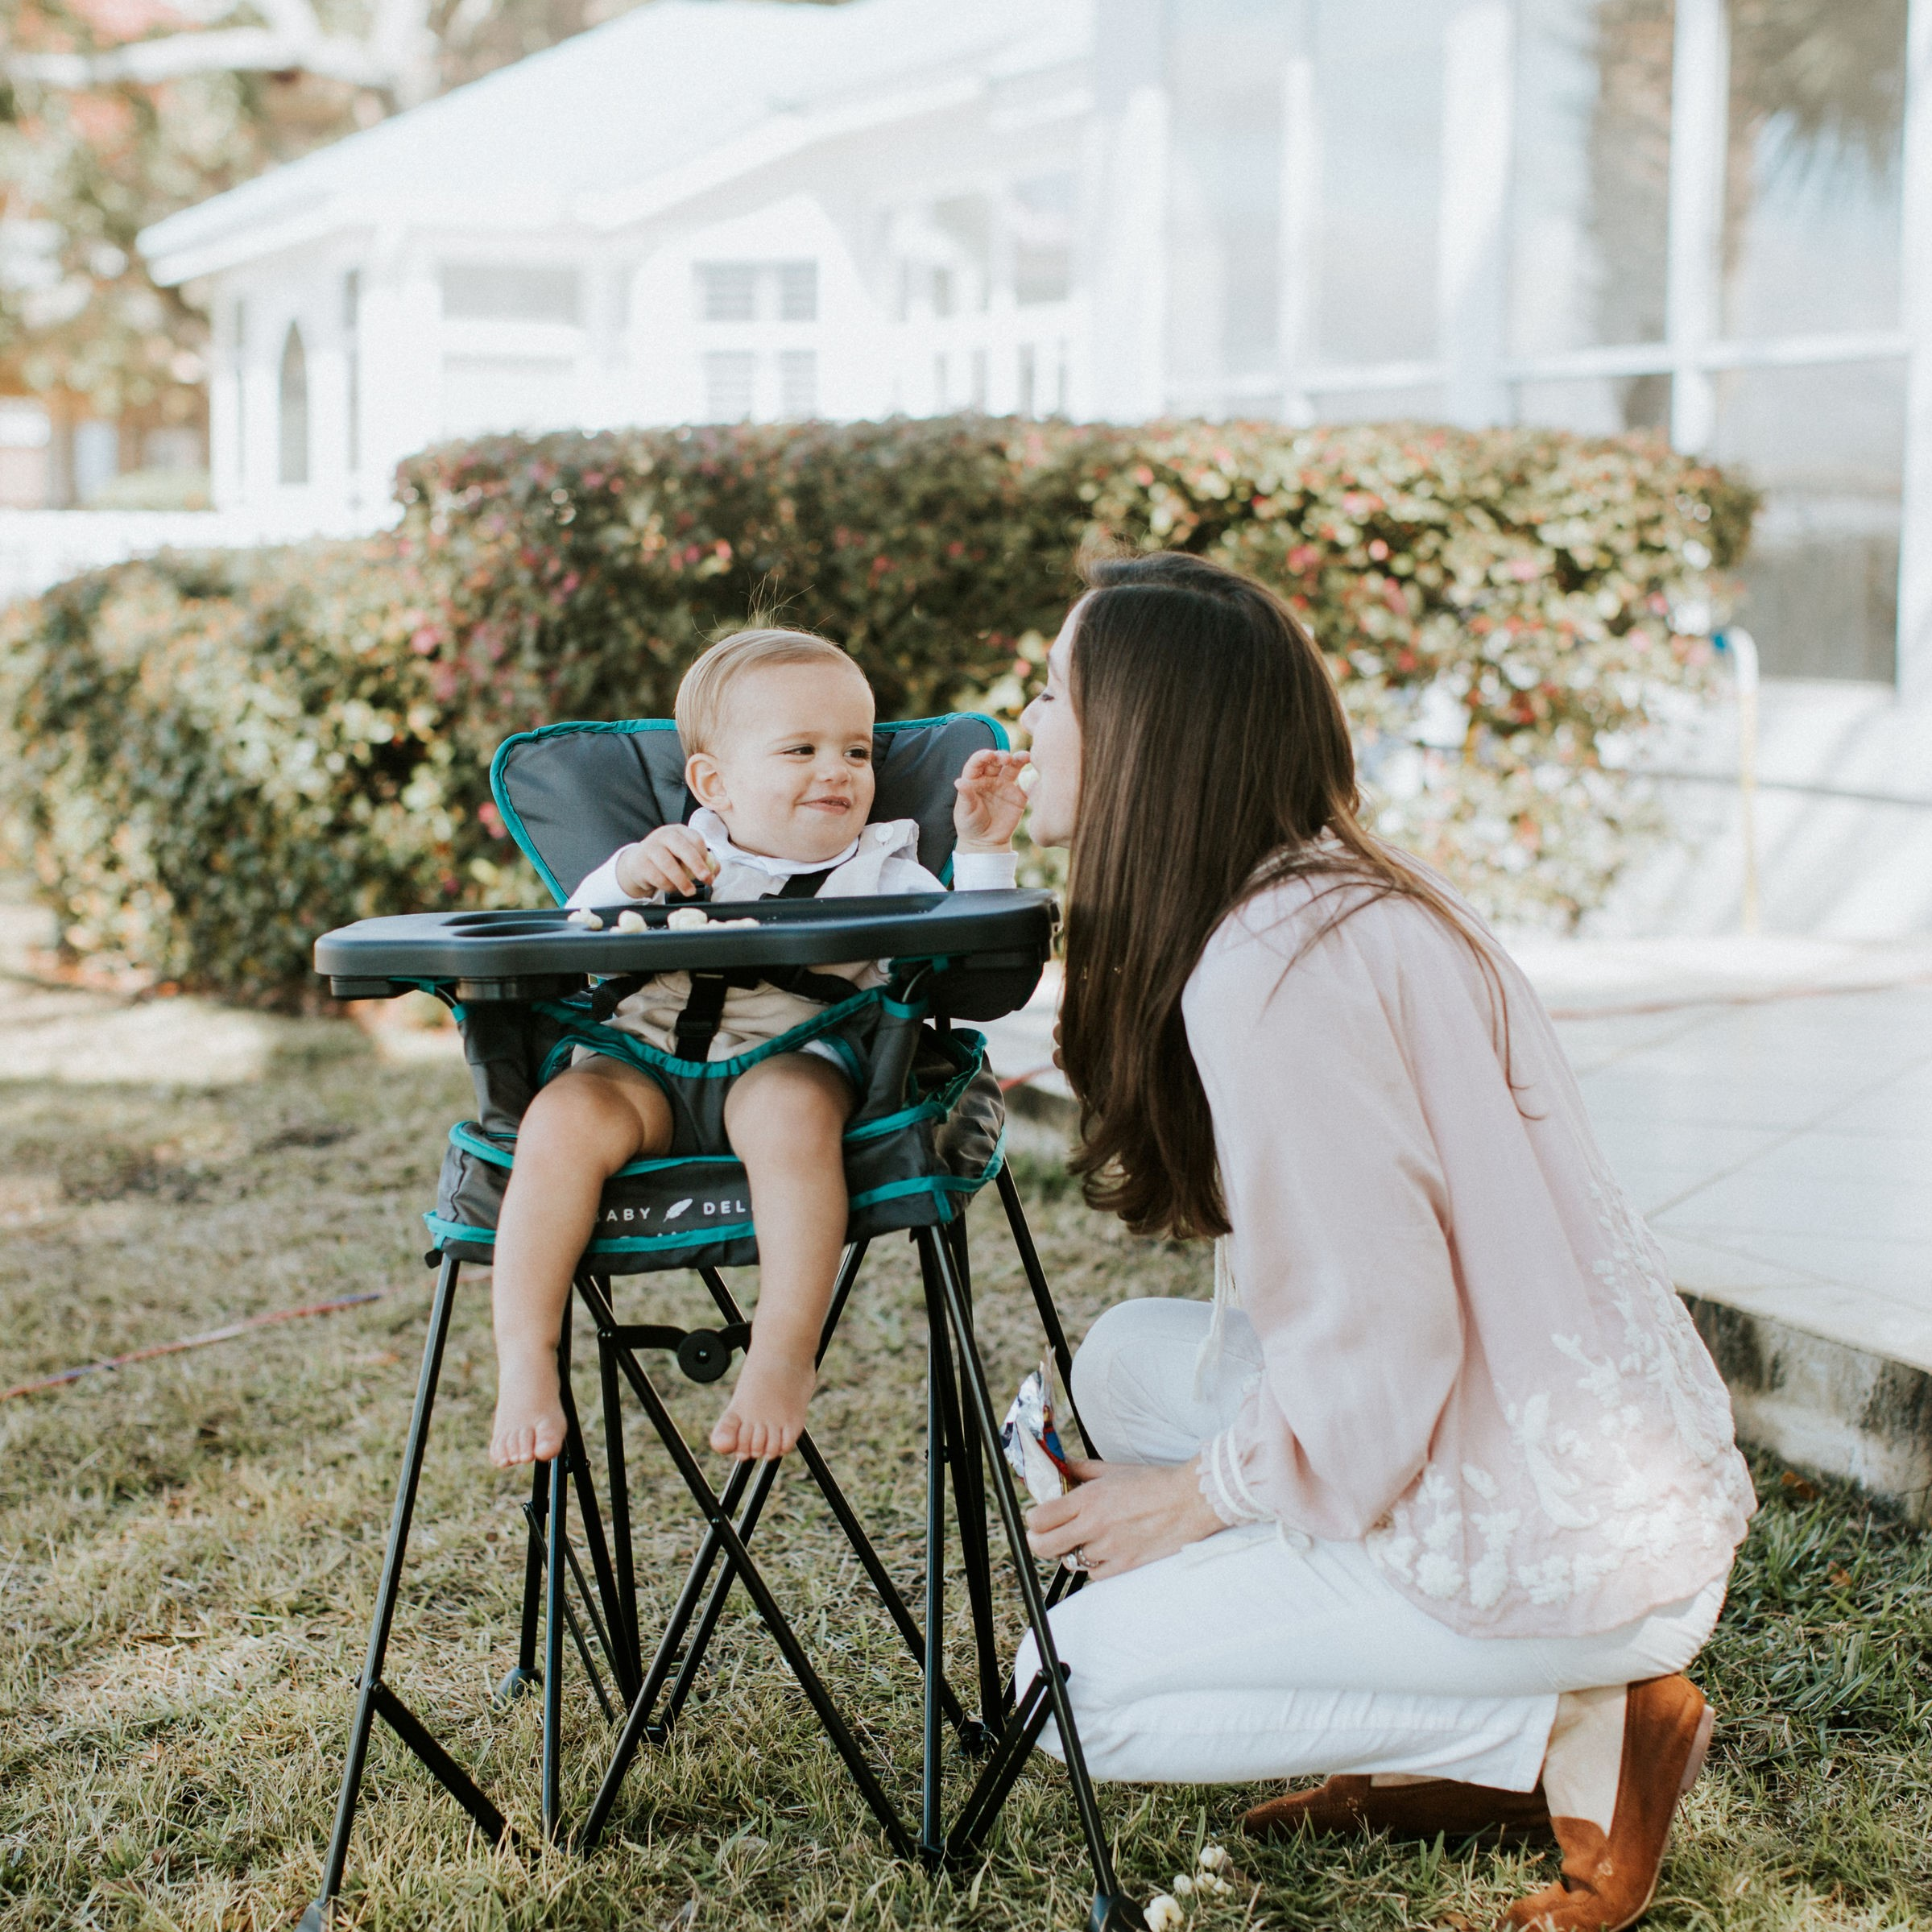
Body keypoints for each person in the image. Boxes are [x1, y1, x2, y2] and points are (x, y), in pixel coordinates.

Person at [1012, 553, 1756, 1932]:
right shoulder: (1341, 895)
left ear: (1137, 740)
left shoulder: (1268, 972)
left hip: (1552, 1525)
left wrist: (1190, 1502)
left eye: (1050, 697)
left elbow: (1381, 1343)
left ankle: (1558, 1734)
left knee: (1061, 1684)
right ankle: (1479, 1704)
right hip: (1574, 1445)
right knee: (1121, 1362)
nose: (1023, 731)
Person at [488, 627, 1028, 1470]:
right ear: (714, 783)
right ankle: (525, 1357)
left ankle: (781, 1350)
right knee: (557, 1118)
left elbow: (975, 968)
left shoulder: (886, 868)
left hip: (791, 1056)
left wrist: (985, 851)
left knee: (786, 1109)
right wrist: (627, 875)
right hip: (644, 1065)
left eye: (855, 749)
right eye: (800, 748)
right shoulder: (673, 858)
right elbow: (578, 932)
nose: (837, 769)